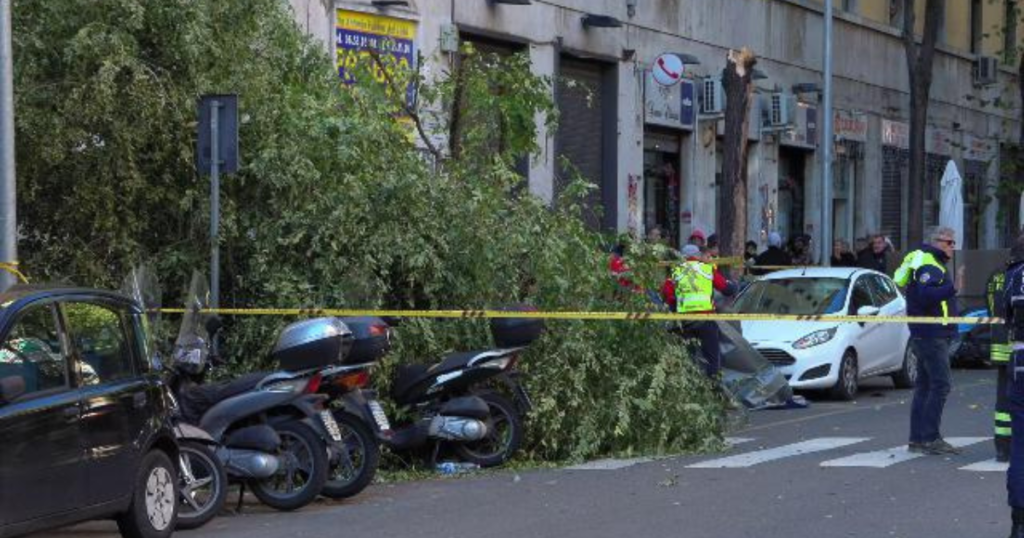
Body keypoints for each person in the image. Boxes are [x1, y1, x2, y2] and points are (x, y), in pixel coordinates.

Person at [894, 226, 964, 456]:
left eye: (953, 242)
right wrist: (952, 288)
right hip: (932, 334)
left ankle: (918, 439)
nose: (952, 246)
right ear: (936, 242)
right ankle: (930, 437)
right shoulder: (929, 264)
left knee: (924, 386)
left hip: (926, 333)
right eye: (949, 242)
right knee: (940, 385)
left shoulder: (927, 260)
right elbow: (925, 296)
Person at [661, 244, 736, 378]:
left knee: (686, 359)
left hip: (684, 322)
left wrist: (677, 306)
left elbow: (667, 294)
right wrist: (733, 285)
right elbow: (726, 290)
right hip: (706, 321)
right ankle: (714, 386)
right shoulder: (707, 269)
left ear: (682, 257)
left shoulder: (676, 271)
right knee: (712, 358)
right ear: (698, 256)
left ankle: (686, 384)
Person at [1002, 234, 1024, 538]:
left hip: (1021, 361)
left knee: (1020, 447)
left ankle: (1019, 522)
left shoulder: (1016, 275)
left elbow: (1004, 312)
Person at [988, 266, 1013, 463]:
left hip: (1000, 342)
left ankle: (1003, 448)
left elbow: (990, 306)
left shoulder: (996, 275)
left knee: (1004, 397)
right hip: (1017, 344)